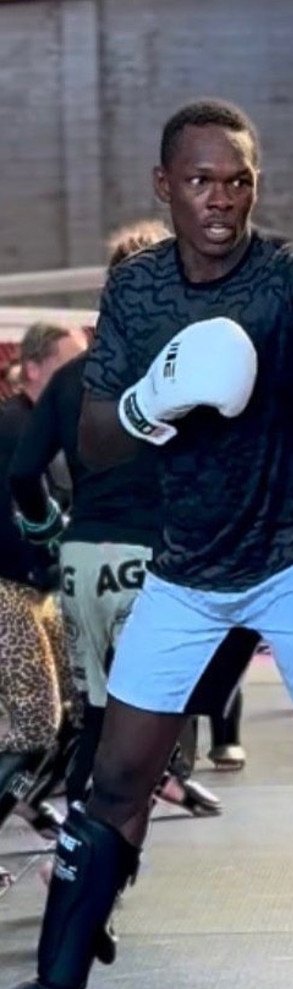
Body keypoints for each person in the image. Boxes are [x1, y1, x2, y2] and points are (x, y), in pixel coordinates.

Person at [0, 97, 293, 989]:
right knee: (116, 780)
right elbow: (93, 439)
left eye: (238, 181)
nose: (221, 201)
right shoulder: (138, 289)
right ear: (165, 186)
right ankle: (60, 988)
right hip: (185, 571)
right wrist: (157, 400)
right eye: (200, 181)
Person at [8, 220, 227, 820]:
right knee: (143, 735)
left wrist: (49, 530)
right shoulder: (184, 374)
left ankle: (78, 864)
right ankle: (97, 877)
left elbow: (24, 474)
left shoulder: (72, 378)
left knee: (100, 722)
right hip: (149, 562)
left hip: (81, 561)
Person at [0, 323, 87, 850]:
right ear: (33, 367)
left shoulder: (39, 425)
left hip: (38, 589)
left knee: (76, 718)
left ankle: (28, 801)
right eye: (68, 363)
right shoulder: (15, 428)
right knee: (36, 725)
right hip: (9, 588)